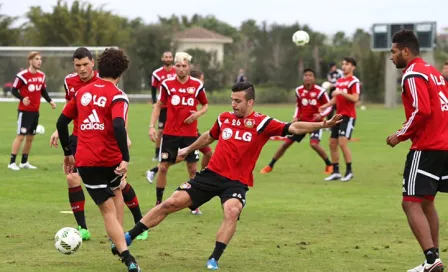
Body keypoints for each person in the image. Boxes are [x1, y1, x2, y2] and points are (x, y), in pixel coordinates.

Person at [111, 82, 342, 270]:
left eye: (238, 101)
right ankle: (130, 236)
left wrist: (321, 124)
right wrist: (188, 150)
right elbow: (209, 137)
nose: (234, 104)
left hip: (236, 182)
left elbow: (293, 127)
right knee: (170, 203)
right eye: (232, 100)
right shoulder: (224, 118)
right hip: (210, 176)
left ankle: (213, 259)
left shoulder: (262, 122)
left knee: (232, 211)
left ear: (250, 101)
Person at [56, 48, 141, 272]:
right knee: (116, 193)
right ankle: (122, 247)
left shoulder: (82, 92)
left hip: (86, 161)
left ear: (97, 67)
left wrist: (67, 152)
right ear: (120, 73)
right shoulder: (118, 95)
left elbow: (61, 123)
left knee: (107, 207)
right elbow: (119, 125)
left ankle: (124, 251)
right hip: (111, 160)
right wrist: (126, 157)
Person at [387, 29, 448, 272]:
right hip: (444, 144)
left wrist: (400, 135)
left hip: (427, 146)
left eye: (393, 52)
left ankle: (431, 259)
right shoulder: (434, 73)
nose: (391, 57)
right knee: (426, 202)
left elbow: (422, 111)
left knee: (410, 202)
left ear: (405, 50)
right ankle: (433, 260)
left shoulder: (413, 74)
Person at [148, 52, 208, 216]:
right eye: (178, 66)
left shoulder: (197, 85)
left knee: (192, 168)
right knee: (163, 168)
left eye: (184, 66)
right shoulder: (167, 84)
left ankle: (193, 204)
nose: (181, 69)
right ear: (174, 67)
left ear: (189, 67)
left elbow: (205, 105)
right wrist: (151, 126)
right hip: (170, 133)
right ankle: (159, 202)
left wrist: (198, 114)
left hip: (190, 134)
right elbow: (158, 105)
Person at [146, 69, 213, 189]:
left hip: (192, 130)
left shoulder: (197, 89)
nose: (202, 82)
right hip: (184, 131)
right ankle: (202, 177)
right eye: (201, 79)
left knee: (204, 153)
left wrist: (197, 113)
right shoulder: (188, 87)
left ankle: (202, 176)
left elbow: (202, 106)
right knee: (203, 153)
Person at [260, 68, 333, 174]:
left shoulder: (320, 91)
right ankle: (270, 165)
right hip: (302, 123)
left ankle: (329, 165)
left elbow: (329, 106)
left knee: (314, 144)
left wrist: (321, 115)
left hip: (315, 124)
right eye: (306, 75)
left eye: (310, 75)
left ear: (314, 78)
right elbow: (298, 106)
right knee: (286, 143)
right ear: (303, 77)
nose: (307, 77)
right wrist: (295, 117)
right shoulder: (299, 90)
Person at [8, 51, 56, 171]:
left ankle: (24, 162)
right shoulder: (22, 75)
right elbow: (13, 90)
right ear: (30, 61)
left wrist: (50, 101)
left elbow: (43, 91)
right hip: (24, 112)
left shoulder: (41, 76)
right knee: (20, 136)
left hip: (35, 111)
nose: (39, 61)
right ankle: (12, 162)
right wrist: (22, 98)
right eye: (36, 59)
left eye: (40, 59)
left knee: (30, 137)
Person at [320, 57, 360, 182]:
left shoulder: (354, 81)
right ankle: (336, 172)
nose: (344, 66)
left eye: (347, 64)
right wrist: (325, 105)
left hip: (348, 117)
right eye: (343, 64)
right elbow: (336, 99)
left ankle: (349, 171)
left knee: (343, 143)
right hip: (338, 116)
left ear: (353, 67)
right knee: (332, 143)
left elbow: (355, 98)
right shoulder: (340, 81)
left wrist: (341, 93)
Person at [150, 51, 176, 161]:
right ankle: (157, 153)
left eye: (170, 57)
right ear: (162, 58)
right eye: (166, 57)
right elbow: (153, 88)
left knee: (176, 130)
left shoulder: (177, 71)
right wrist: (154, 102)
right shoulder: (157, 73)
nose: (168, 59)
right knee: (160, 131)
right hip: (163, 107)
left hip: (175, 107)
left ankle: (180, 152)